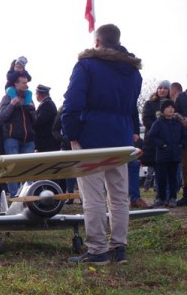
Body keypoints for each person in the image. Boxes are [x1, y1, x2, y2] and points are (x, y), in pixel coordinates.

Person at [61, 23, 143, 265]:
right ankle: (119, 247)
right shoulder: (133, 72)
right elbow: (131, 108)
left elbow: (72, 101)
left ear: (97, 42)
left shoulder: (86, 65)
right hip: (121, 136)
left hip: (91, 136)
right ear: (117, 41)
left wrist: (72, 133)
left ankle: (97, 250)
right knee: (119, 194)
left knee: (93, 194)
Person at [0, 74, 36, 197]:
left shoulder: (29, 99)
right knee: (13, 167)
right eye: (23, 83)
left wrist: (31, 110)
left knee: (29, 167)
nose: (26, 85)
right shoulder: (7, 98)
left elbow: (35, 121)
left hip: (28, 139)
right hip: (12, 138)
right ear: (16, 84)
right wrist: (11, 105)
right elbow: (2, 117)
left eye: (26, 83)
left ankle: (29, 194)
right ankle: (14, 196)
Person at [147, 99, 186, 207]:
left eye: (172, 107)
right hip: (162, 155)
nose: (171, 109)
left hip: (175, 155)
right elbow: (152, 137)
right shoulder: (158, 123)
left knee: (173, 177)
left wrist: (181, 145)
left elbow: (184, 137)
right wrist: (162, 144)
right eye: (168, 107)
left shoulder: (178, 124)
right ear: (163, 110)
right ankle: (161, 197)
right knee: (161, 177)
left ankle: (173, 197)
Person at [140, 80, 171, 189]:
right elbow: (146, 119)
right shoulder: (149, 103)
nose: (162, 90)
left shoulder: (172, 104)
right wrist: (159, 128)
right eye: (160, 88)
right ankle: (158, 191)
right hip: (153, 141)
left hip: (168, 140)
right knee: (155, 167)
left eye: (165, 88)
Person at [171, 82, 187, 205]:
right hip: (184, 137)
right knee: (185, 167)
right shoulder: (182, 97)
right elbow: (174, 114)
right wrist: (182, 120)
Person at [34, 85, 60, 152]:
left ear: (39, 94)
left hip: (47, 141)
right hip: (47, 141)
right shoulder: (47, 103)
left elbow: (40, 121)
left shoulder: (47, 104)